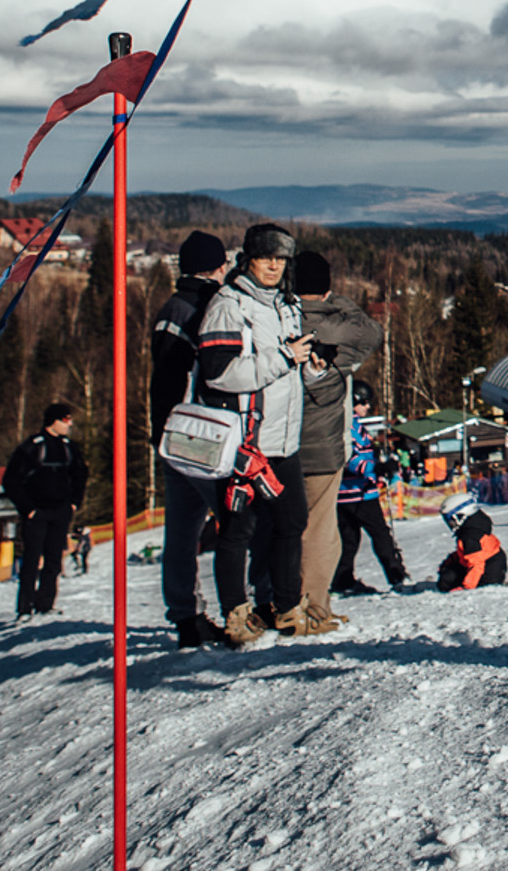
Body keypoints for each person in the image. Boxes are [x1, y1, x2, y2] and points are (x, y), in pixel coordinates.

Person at [196, 223, 314, 647]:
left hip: (283, 438)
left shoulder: (286, 304)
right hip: (246, 443)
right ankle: (237, 614)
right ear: (247, 259)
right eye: (266, 258)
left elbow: (286, 370)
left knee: (291, 523)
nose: (274, 266)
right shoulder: (229, 306)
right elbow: (220, 374)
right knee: (238, 531)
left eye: (281, 259)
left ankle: (285, 609)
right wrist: (284, 356)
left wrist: (309, 365)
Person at [149, 230, 230, 649]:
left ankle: (185, 613)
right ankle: (243, 605)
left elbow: (162, 379)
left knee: (180, 531)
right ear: (218, 266)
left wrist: (159, 428)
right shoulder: (209, 310)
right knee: (239, 521)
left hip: (170, 433)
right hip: (204, 432)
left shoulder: (171, 309)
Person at [293, 249, 381, 630]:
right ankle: (314, 606)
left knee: (278, 528)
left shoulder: (279, 319)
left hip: (275, 443)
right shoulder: (336, 327)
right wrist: (336, 301)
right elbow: (372, 331)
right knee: (319, 530)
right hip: (324, 442)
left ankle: (277, 601)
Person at [2, 403, 87, 618]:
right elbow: (11, 481)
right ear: (54, 421)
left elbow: (80, 475)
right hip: (37, 512)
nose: (70, 424)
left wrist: (74, 503)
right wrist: (28, 509)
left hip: (60, 511)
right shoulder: (32, 446)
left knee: (54, 560)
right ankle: (25, 607)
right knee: (31, 559)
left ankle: (46, 603)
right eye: (66, 419)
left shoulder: (69, 448)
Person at [333, 382, 409, 595]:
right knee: (380, 534)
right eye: (364, 403)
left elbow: (365, 452)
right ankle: (396, 576)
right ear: (354, 401)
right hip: (358, 492)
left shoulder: (354, 423)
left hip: (350, 492)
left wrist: (380, 464)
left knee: (349, 539)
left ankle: (342, 580)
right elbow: (348, 457)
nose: (367, 407)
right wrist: (376, 468)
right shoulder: (346, 425)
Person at [436, 496, 508, 591]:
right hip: (493, 563)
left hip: (490, 570)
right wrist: (452, 560)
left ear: (461, 516)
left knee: (446, 581)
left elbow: (476, 564)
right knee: (447, 575)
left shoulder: (470, 536)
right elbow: (469, 554)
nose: (450, 524)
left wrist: (466, 587)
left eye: (451, 520)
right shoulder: (472, 528)